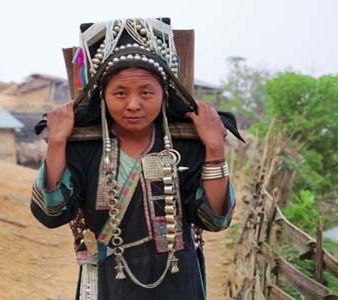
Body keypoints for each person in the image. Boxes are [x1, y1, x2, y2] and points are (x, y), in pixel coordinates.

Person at [31, 18, 242, 300]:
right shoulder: (84, 148)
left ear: (163, 95)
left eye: (146, 92)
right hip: (111, 284)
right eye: (120, 93)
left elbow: (215, 219)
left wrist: (215, 146)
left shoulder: (187, 146)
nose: (133, 104)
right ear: (103, 96)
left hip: (179, 285)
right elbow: (51, 213)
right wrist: (57, 141)